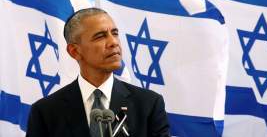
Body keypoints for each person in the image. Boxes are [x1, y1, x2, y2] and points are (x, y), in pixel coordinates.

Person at [26, 8, 171, 137]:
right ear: (75, 51)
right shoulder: (45, 112)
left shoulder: (148, 104)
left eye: (115, 33)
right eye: (100, 36)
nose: (113, 42)